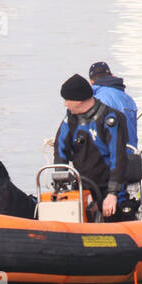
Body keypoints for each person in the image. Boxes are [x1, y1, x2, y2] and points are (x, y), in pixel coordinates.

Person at [53, 74, 129, 219]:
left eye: (67, 99)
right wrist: (60, 181)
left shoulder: (110, 119)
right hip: (83, 187)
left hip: (109, 189)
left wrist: (112, 194)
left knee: (113, 216)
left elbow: (118, 157)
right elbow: (60, 149)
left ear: (79, 100)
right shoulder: (70, 120)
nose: (65, 104)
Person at [89, 61, 138, 147]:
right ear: (111, 75)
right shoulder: (129, 99)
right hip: (132, 153)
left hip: (110, 156)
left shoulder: (95, 100)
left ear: (91, 82)